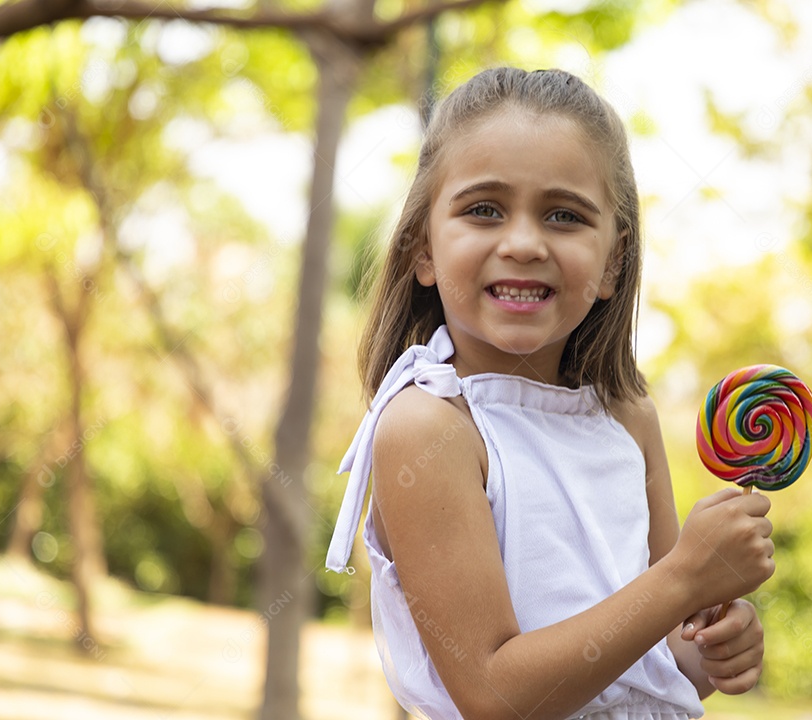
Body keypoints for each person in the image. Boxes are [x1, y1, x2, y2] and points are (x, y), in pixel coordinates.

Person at [326, 66, 775, 720]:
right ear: (423, 246)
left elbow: (654, 664)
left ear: (612, 263)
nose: (524, 243)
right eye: (484, 209)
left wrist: (710, 644)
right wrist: (682, 579)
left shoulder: (629, 418)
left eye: (564, 216)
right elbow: (493, 692)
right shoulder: (430, 428)